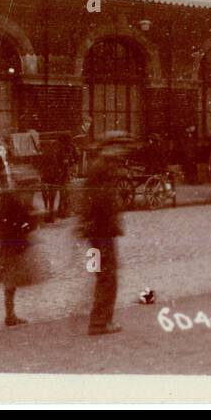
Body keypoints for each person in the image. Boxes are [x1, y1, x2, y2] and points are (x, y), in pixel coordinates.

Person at [0, 154, 47, 327]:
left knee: (12, 281)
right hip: (11, 246)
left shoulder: (12, 198)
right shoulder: (12, 200)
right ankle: (10, 315)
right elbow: (15, 223)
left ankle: (11, 314)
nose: (32, 193)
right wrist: (32, 219)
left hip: (11, 245)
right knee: (11, 281)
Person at [80, 137, 128, 336]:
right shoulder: (104, 170)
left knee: (101, 275)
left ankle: (100, 320)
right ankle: (100, 322)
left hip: (94, 233)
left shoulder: (98, 167)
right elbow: (104, 203)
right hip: (102, 233)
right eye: (117, 147)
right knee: (107, 277)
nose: (120, 152)